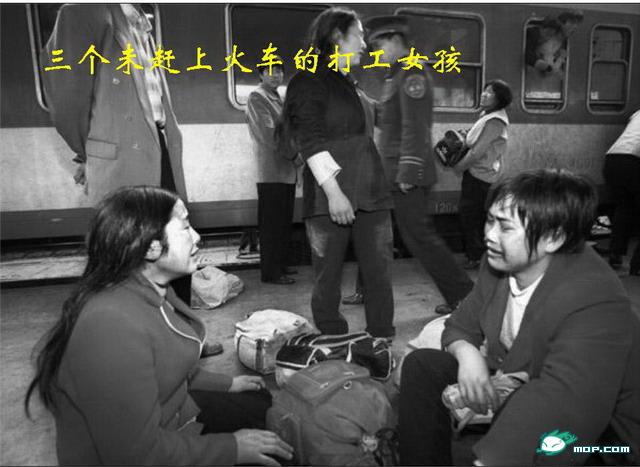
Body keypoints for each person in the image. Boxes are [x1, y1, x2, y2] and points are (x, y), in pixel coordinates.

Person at [24, 186, 294, 465]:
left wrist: (228, 384)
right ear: (151, 247)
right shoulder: (109, 327)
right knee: (276, 452)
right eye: (186, 227)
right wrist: (232, 448)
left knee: (260, 402)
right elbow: (136, 456)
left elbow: (165, 369)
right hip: (142, 454)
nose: (197, 237)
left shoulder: (150, 290)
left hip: (172, 421)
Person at [398, 169, 640, 465]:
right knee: (423, 365)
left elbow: (568, 405)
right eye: (490, 220)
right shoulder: (500, 263)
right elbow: (460, 325)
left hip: (603, 439)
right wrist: (468, 356)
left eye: (505, 226)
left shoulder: (595, 298)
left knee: (536, 424)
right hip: (528, 384)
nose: (489, 235)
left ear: (553, 237)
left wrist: (492, 459)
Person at [42, 4, 201, 317]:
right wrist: (89, 151)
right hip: (125, 156)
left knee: (173, 253)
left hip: (160, 148)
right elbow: (68, 97)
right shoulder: (83, 11)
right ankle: (133, 336)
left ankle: (177, 330)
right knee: (128, 263)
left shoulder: (139, 18)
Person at [278, 7, 395, 338]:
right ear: (336, 37)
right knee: (327, 274)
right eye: (358, 35)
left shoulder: (348, 83)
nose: (364, 44)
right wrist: (334, 193)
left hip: (371, 191)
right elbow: (309, 139)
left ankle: (381, 337)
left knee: (379, 270)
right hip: (329, 196)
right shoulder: (309, 79)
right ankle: (333, 338)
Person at [357, 15, 474, 316]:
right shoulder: (395, 75)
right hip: (392, 171)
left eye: (379, 45)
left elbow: (416, 127)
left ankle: (464, 295)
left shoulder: (412, 74)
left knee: (419, 237)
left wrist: (408, 171)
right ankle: (365, 289)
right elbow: (390, 120)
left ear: (396, 40)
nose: (376, 52)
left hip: (406, 173)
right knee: (376, 229)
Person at [246, 59, 298, 285]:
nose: (275, 75)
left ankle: (281, 265)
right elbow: (269, 134)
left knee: (283, 222)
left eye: (278, 71)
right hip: (271, 170)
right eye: (269, 71)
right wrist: (295, 155)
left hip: (284, 171)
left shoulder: (278, 97)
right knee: (272, 225)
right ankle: (271, 273)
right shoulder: (257, 97)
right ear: (260, 75)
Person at [453, 79, 512, 270]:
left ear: (499, 99)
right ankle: (476, 255)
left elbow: (477, 152)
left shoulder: (495, 121)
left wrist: (459, 166)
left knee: (471, 215)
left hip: (480, 175)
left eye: (490, 92)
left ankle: (477, 256)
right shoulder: (487, 116)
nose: (484, 94)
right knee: (472, 214)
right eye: (484, 91)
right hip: (477, 172)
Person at [603, 109, 640, 275]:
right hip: (635, 161)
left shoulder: (638, 113)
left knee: (624, 208)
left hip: (613, 159)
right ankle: (637, 264)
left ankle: (615, 254)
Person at [525, 10, 583, 75]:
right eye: (571, 23)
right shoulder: (543, 38)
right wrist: (560, 59)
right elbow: (550, 70)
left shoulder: (559, 41)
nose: (574, 27)